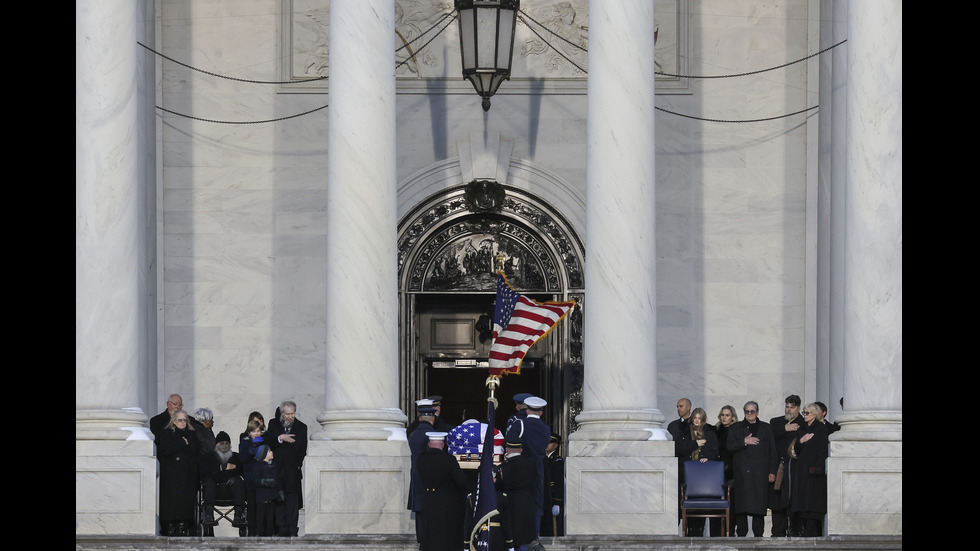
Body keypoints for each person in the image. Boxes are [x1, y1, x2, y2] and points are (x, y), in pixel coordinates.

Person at [726, 401, 777, 537]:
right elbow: (729, 446)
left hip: (760, 472)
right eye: (747, 411)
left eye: (752, 411)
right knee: (741, 506)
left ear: (757, 412)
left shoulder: (766, 428)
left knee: (759, 505)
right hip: (742, 472)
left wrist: (772, 471)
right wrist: (744, 441)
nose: (749, 414)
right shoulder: (735, 428)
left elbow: (773, 451)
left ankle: (758, 535)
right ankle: (741, 535)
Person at [506, 395, 550, 539]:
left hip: (522, 469)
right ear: (541, 412)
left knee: (518, 503)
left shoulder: (520, 424)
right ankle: (534, 537)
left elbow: (509, 441)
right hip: (539, 469)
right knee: (537, 504)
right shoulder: (546, 429)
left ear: (527, 411)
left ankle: (518, 537)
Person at [416, 432, 470, 551]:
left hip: (428, 499)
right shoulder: (449, 459)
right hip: (445, 501)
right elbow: (461, 480)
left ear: (429, 444)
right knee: (443, 532)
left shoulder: (421, 459)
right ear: (443, 444)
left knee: (429, 530)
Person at [264, 400, 308, 537]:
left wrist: (296, 464)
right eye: (287, 414)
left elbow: (302, 450)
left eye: (292, 414)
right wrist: (280, 438)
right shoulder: (274, 424)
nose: (290, 417)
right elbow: (267, 441)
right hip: (277, 469)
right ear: (282, 413)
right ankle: (281, 529)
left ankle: (292, 529)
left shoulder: (301, 427)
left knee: (292, 502)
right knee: (279, 500)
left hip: (292, 471)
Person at [788, 403, 830, 536]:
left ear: (816, 414)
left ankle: (812, 531)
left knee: (812, 501)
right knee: (802, 501)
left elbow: (822, 449)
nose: (805, 415)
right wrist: (801, 440)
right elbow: (797, 451)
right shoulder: (802, 429)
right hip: (802, 469)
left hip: (814, 470)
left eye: (807, 413)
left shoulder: (821, 429)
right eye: (804, 413)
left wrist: (818, 467)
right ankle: (803, 529)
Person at [157, 409, 199, 536]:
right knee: (171, 501)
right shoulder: (166, 433)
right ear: (174, 421)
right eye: (180, 420)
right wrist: (181, 442)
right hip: (171, 474)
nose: (182, 422)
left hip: (186, 473)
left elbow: (195, 451)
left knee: (184, 501)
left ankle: (183, 525)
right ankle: (170, 525)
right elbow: (165, 450)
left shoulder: (191, 434)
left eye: (184, 420)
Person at [681, 407, 719, 536]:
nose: (697, 421)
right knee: (691, 506)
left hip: (704, 475)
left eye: (699, 418)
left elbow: (715, 450)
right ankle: (692, 533)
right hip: (689, 474)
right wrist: (695, 444)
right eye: (695, 418)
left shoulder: (710, 432)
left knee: (702, 504)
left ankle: (700, 531)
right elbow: (681, 449)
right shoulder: (686, 432)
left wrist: (708, 458)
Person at [769, 394, 804, 537]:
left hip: (795, 468)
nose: (789, 410)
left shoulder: (803, 422)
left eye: (792, 407)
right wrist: (785, 429)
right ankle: (777, 532)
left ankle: (795, 530)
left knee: (793, 500)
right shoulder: (776, 422)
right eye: (787, 406)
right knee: (776, 501)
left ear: (798, 408)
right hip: (778, 467)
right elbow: (769, 435)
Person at [495, 438, 537, 551]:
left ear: (507, 449)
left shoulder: (502, 468)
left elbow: (497, 485)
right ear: (521, 450)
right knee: (524, 535)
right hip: (526, 500)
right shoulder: (532, 463)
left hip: (509, 501)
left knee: (511, 534)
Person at [198, 431, 247, 527]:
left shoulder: (236, 457)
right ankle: (209, 514)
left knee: (238, 480)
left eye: (227, 443)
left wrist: (231, 475)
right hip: (214, 491)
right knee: (209, 481)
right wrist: (223, 468)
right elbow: (204, 472)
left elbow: (241, 471)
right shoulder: (208, 457)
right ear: (216, 445)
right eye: (221, 443)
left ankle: (238, 515)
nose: (224, 445)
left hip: (232, 492)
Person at [408, 400, 438, 545]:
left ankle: (422, 541)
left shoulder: (413, 434)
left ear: (419, 418)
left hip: (415, 478)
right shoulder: (432, 435)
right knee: (430, 514)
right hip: (428, 480)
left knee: (420, 513)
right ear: (433, 418)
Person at [710, 405, 738, 537]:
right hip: (715, 472)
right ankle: (714, 535)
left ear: (732, 417)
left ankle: (730, 534)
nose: (724, 417)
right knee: (715, 506)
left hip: (730, 471)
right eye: (722, 415)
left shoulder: (736, 430)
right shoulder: (715, 430)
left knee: (730, 505)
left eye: (727, 415)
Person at [250, 444, 283, 537]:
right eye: (269, 451)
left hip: (272, 497)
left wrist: (280, 492)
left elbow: (278, 479)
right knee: (261, 517)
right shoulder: (258, 466)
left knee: (270, 518)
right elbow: (254, 480)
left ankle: (270, 533)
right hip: (262, 497)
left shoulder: (274, 465)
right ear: (264, 454)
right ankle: (260, 534)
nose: (272, 452)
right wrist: (264, 481)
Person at [239, 419, 265, 536]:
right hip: (250, 479)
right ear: (249, 432)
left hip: (262, 478)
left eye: (258, 431)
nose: (256, 434)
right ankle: (252, 531)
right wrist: (253, 448)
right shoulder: (244, 443)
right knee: (251, 507)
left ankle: (261, 530)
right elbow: (243, 459)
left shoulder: (263, 442)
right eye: (254, 431)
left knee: (261, 506)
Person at [540, 432, 564, 537]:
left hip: (552, 498)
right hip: (542, 498)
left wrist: (557, 502)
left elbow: (558, 483)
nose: (547, 444)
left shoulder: (557, 461)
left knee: (552, 530)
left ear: (556, 445)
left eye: (550, 442)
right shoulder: (542, 459)